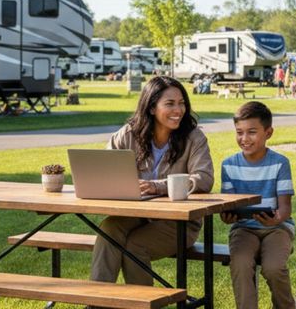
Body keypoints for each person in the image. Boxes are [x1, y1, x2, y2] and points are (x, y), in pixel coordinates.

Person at [90, 76, 213, 287]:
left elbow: (204, 179)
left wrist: (159, 186)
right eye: (170, 103)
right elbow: (105, 169)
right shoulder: (128, 134)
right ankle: (96, 299)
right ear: (151, 107)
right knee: (109, 229)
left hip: (179, 223)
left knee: (135, 245)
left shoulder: (194, 138)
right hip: (137, 215)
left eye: (181, 103)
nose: (178, 110)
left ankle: (142, 302)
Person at [220, 101, 296, 309]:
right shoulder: (229, 165)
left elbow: (285, 207)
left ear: (268, 132)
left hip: (277, 228)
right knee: (240, 264)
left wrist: (277, 219)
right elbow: (227, 207)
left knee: (273, 268)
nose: (244, 139)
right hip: (243, 229)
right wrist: (226, 216)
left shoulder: (280, 163)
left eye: (252, 132)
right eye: (239, 132)